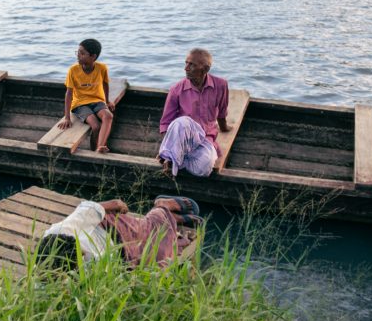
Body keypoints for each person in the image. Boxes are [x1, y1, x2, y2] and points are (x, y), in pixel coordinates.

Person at [35, 195, 201, 269]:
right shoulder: (47, 270)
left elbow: (91, 207)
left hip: (112, 230)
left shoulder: (66, 228)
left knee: (150, 229)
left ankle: (162, 207)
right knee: (157, 259)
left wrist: (117, 205)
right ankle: (171, 220)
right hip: (120, 256)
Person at [157, 48, 231, 177]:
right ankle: (171, 157)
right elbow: (165, 124)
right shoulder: (176, 89)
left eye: (191, 64)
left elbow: (222, 113)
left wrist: (224, 128)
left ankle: (177, 159)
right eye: (186, 63)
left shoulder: (221, 85)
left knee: (204, 169)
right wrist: (167, 144)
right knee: (182, 122)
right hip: (183, 135)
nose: (186, 68)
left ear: (205, 69)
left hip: (205, 138)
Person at [57, 38, 115, 152]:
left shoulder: (102, 68)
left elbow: (105, 84)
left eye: (82, 53)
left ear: (93, 57)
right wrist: (67, 117)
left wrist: (107, 101)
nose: (78, 55)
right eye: (78, 52)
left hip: (97, 101)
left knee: (108, 116)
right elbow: (68, 94)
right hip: (80, 104)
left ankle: (100, 147)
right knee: (95, 126)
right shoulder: (73, 70)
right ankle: (94, 149)